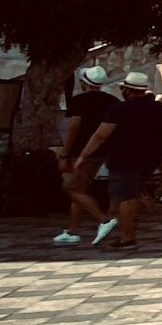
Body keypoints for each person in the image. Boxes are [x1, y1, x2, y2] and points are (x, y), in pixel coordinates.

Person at [80, 72, 162, 251]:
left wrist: (83, 155)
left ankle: (128, 237)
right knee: (120, 195)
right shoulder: (161, 109)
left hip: (124, 158)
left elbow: (100, 135)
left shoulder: (119, 109)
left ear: (127, 89)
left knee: (127, 197)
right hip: (150, 158)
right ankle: (117, 231)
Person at [55, 65, 119, 245]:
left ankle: (104, 220)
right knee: (80, 189)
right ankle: (72, 230)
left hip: (82, 151)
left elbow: (73, 128)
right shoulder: (112, 100)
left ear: (84, 83)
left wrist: (64, 152)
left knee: (70, 188)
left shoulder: (79, 101)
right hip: (104, 150)